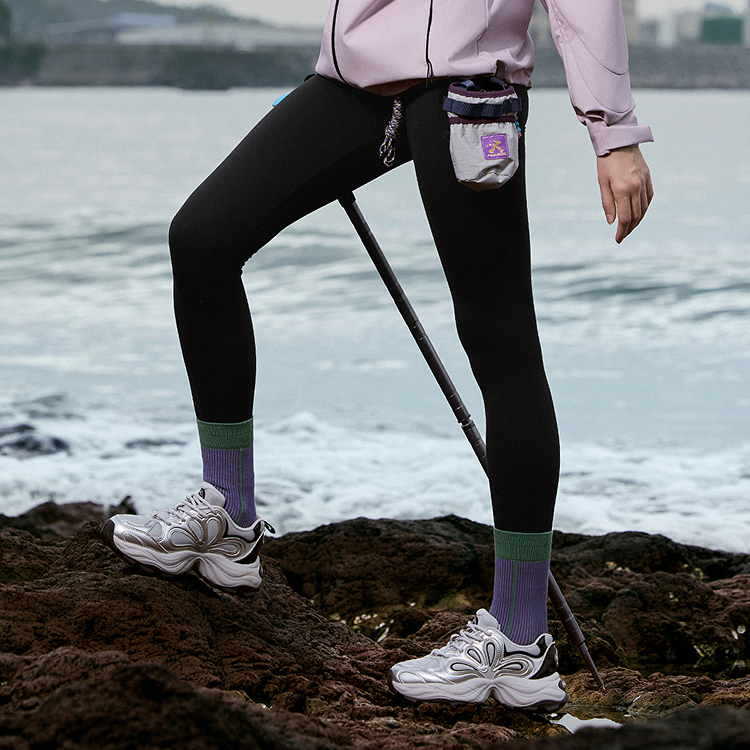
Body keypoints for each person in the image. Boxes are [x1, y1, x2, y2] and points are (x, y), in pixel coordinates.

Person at [100, 0, 653, 713]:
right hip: (351, 85)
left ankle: (520, 642)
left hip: (465, 90)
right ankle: (229, 519)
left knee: (501, 342)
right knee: (202, 238)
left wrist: (613, 133)